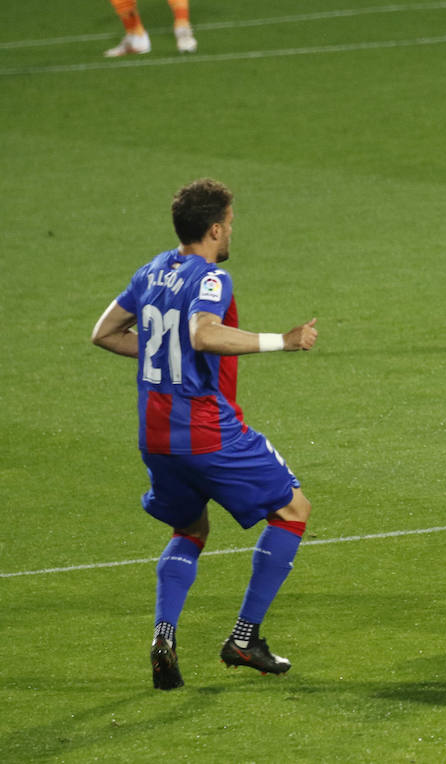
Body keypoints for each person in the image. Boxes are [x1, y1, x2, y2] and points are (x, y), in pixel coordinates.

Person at [91, 178, 318, 689]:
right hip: (206, 432)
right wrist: (283, 341)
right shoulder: (211, 278)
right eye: (231, 223)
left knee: (190, 530)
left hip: (155, 436)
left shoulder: (150, 270)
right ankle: (243, 637)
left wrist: (158, 351)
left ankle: (164, 633)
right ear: (215, 229)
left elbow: (103, 333)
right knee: (293, 510)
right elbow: (203, 333)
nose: (232, 230)